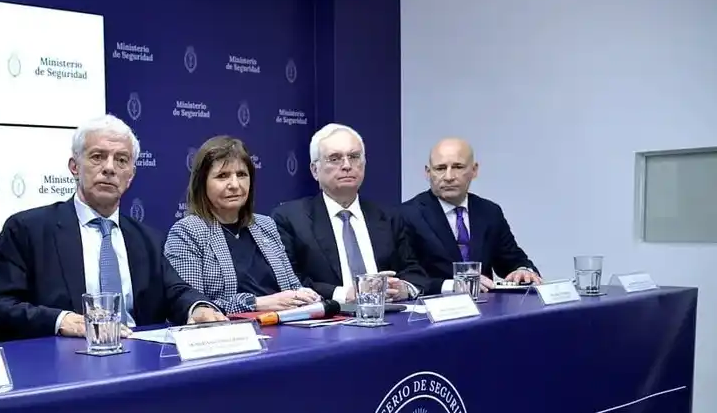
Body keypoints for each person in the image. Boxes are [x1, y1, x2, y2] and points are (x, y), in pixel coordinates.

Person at [0, 114, 227, 341]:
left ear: (130, 175)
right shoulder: (27, 230)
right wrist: (60, 321)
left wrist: (198, 308)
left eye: (121, 160)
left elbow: (176, 291)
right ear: (74, 167)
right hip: (65, 357)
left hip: (139, 356)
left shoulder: (148, 239)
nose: (109, 168)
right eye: (97, 157)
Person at [272, 123, 428, 303]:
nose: (347, 165)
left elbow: (414, 272)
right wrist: (345, 294)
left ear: (364, 164)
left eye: (354, 157)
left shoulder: (389, 216)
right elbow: (290, 281)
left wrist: (404, 288)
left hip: (390, 313)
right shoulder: (291, 219)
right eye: (335, 158)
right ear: (315, 170)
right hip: (331, 316)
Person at [164, 135, 320, 313]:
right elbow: (195, 307)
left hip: (284, 323)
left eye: (241, 175)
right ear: (202, 183)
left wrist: (303, 294)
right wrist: (256, 303)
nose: (235, 184)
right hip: (230, 328)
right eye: (222, 176)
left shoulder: (265, 225)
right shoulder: (187, 232)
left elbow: (291, 285)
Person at [401, 137, 541, 294]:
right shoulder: (406, 215)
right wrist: (452, 286)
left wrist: (523, 270)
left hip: (485, 305)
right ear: (428, 172)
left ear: (474, 170)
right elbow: (407, 277)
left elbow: (512, 259)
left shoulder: (489, 211)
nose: (448, 177)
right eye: (440, 168)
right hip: (433, 305)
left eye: (458, 167)